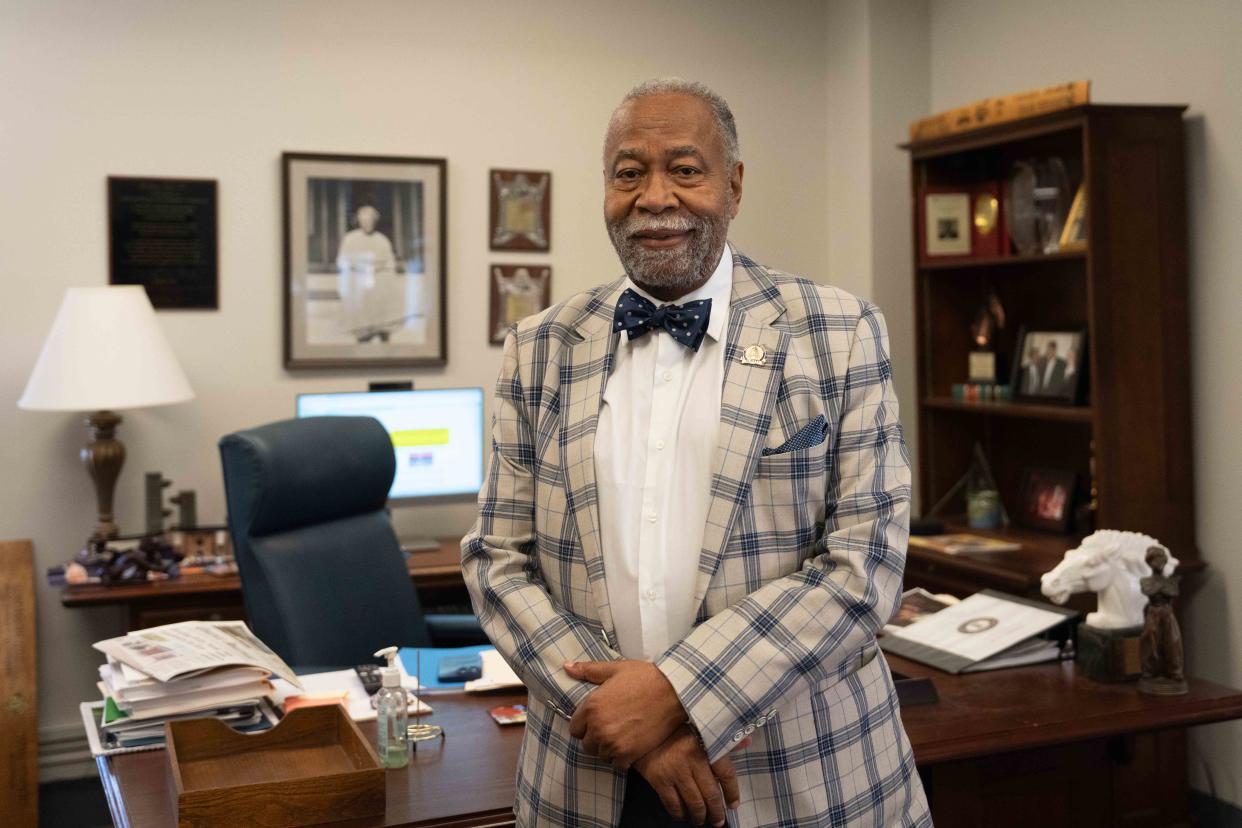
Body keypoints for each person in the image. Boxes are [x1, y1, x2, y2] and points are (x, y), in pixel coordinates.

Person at [462, 78, 929, 828]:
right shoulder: (538, 347)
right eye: (628, 172)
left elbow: (865, 566)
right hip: (589, 777)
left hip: (798, 780)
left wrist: (677, 694)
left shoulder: (839, 333)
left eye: (685, 169)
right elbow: (498, 561)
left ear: (734, 185)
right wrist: (620, 717)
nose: (654, 196)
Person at [336, 203, 401, 342]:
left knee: (383, 320)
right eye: (364, 219)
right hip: (359, 285)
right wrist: (359, 267)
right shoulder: (350, 239)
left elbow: (390, 263)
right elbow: (342, 262)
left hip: (379, 285)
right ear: (358, 221)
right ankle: (363, 337)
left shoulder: (382, 240)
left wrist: (379, 269)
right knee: (362, 327)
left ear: (375, 221)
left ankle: (383, 333)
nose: (367, 222)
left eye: (370, 219)